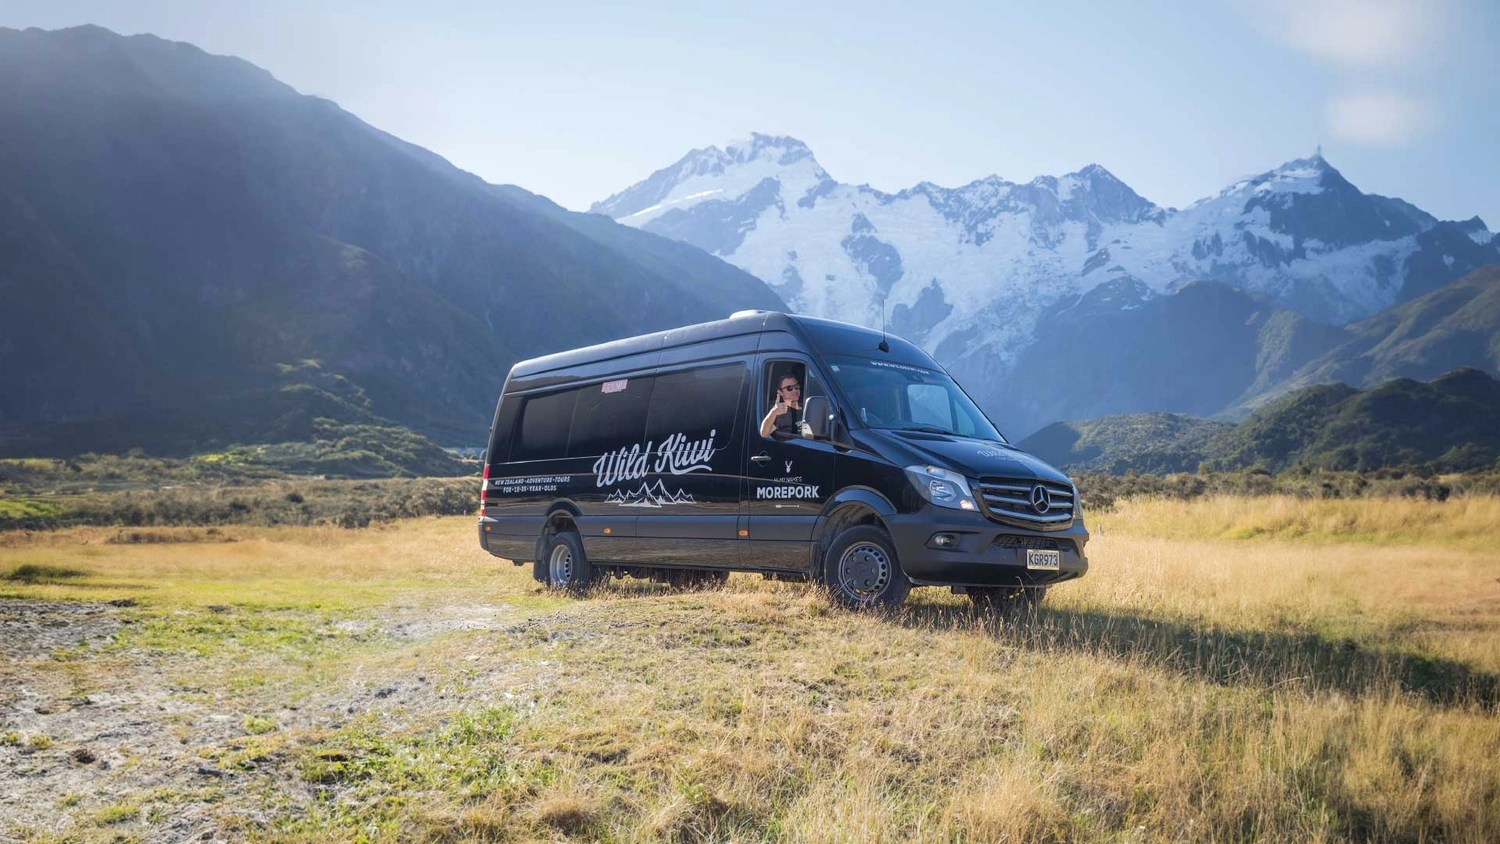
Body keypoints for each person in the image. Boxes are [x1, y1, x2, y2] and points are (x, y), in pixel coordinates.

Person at [759, 373, 804, 438]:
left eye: (796, 386)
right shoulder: (778, 412)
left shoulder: (808, 407)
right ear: (780, 392)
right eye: (789, 388)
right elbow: (764, 433)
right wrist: (773, 413)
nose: (795, 390)